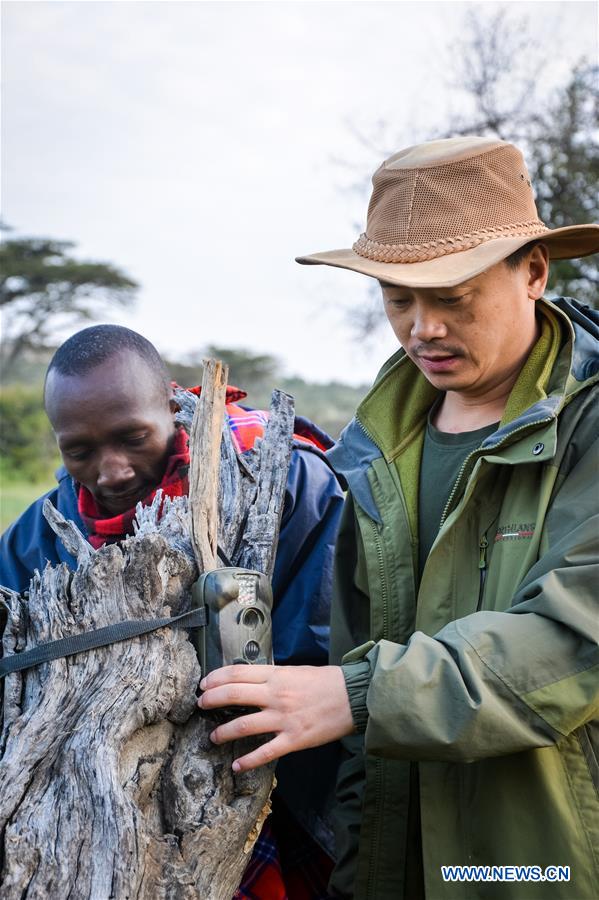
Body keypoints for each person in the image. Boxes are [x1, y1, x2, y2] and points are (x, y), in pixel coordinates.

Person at [197, 136, 599, 899]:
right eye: (397, 298)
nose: (422, 328)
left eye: (450, 297)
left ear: (534, 274)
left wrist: (354, 694)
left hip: (544, 865)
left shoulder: (588, 426)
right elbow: (359, 681)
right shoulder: (376, 447)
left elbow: (570, 640)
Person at [0, 324, 345, 900]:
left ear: (175, 407)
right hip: (101, 810)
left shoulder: (280, 480)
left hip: (278, 779)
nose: (111, 471)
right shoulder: (38, 538)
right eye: (79, 451)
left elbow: (324, 640)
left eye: (133, 438)